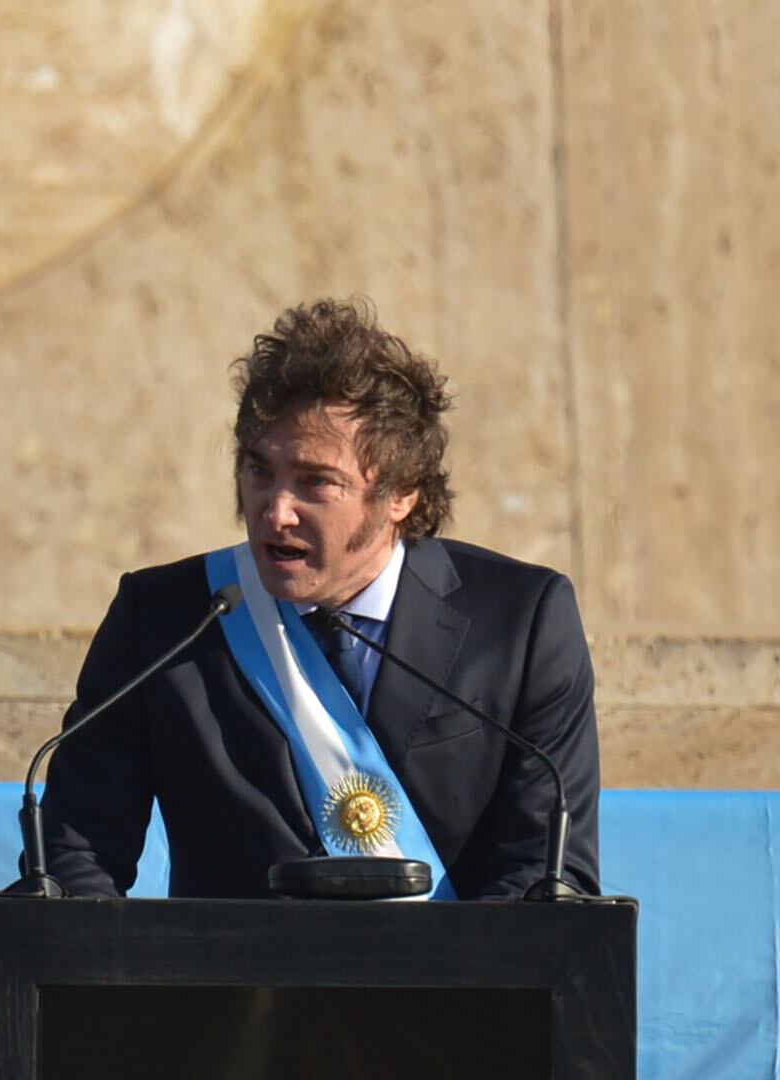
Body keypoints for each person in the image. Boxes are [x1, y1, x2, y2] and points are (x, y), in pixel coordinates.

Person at [39, 298, 600, 901]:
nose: (275, 512)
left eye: (315, 483)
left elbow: (548, 875)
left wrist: (448, 988)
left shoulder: (520, 623)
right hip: (224, 991)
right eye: (259, 472)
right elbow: (75, 855)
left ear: (400, 493)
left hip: (454, 989)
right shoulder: (166, 620)